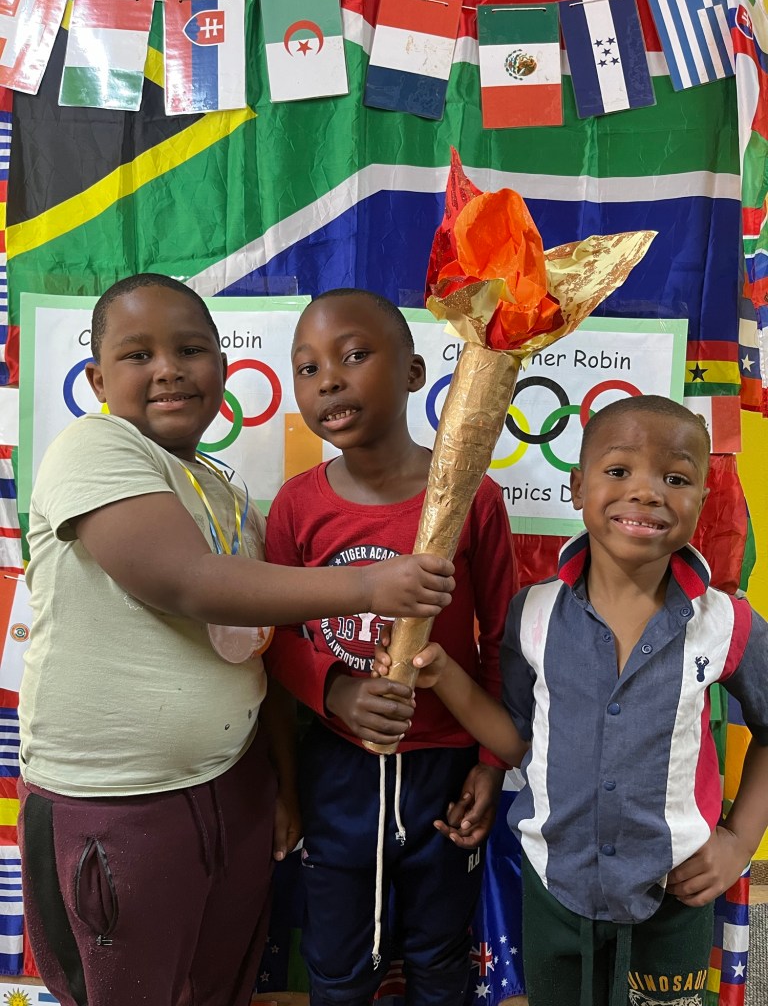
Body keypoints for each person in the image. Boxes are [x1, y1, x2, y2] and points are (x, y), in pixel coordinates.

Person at [17, 273, 456, 1006]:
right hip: (119, 805)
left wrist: (277, 782)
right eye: (138, 355)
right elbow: (186, 580)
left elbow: (261, 648)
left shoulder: (228, 496)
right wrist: (366, 587)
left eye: (191, 350)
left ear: (223, 368)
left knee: (222, 989)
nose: (168, 369)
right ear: (96, 380)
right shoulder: (93, 448)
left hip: (233, 788)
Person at [376, 394, 768, 1006]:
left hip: (676, 889)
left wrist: (740, 841)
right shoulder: (532, 613)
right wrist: (444, 674)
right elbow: (517, 741)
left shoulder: (725, 623)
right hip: (555, 886)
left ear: (701, 497)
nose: (647, 492)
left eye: (675, 478)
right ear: (577, 487)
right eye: (619, 470)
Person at [264, 287, 518, 1006]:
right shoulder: (296, 506)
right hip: (338, 771)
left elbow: (501, 640)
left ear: (413, 373)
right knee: (339, 963)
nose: (328, 381)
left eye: (353, 356)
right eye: (307, 368)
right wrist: (335, 690)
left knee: (440, 957)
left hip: (445, 771)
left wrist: (490, 765)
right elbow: (273, 639)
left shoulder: (475, 498)